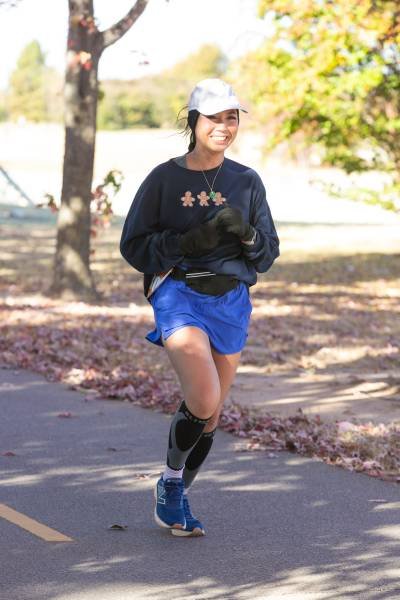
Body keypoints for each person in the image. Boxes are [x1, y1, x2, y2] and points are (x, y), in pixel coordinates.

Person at [120, 78, 280, 537]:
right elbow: (134, 245)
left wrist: (247, 234)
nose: (224, 127)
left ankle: (176, 492)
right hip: (179, 293)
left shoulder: (246, 181)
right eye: (214, 118)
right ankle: (171, 484)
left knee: (210, 415)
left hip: (231, 300)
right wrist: (187, 242)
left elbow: (267, 254)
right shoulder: (164, 179)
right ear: (194, 121)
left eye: (232, 118)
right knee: (204, 395)